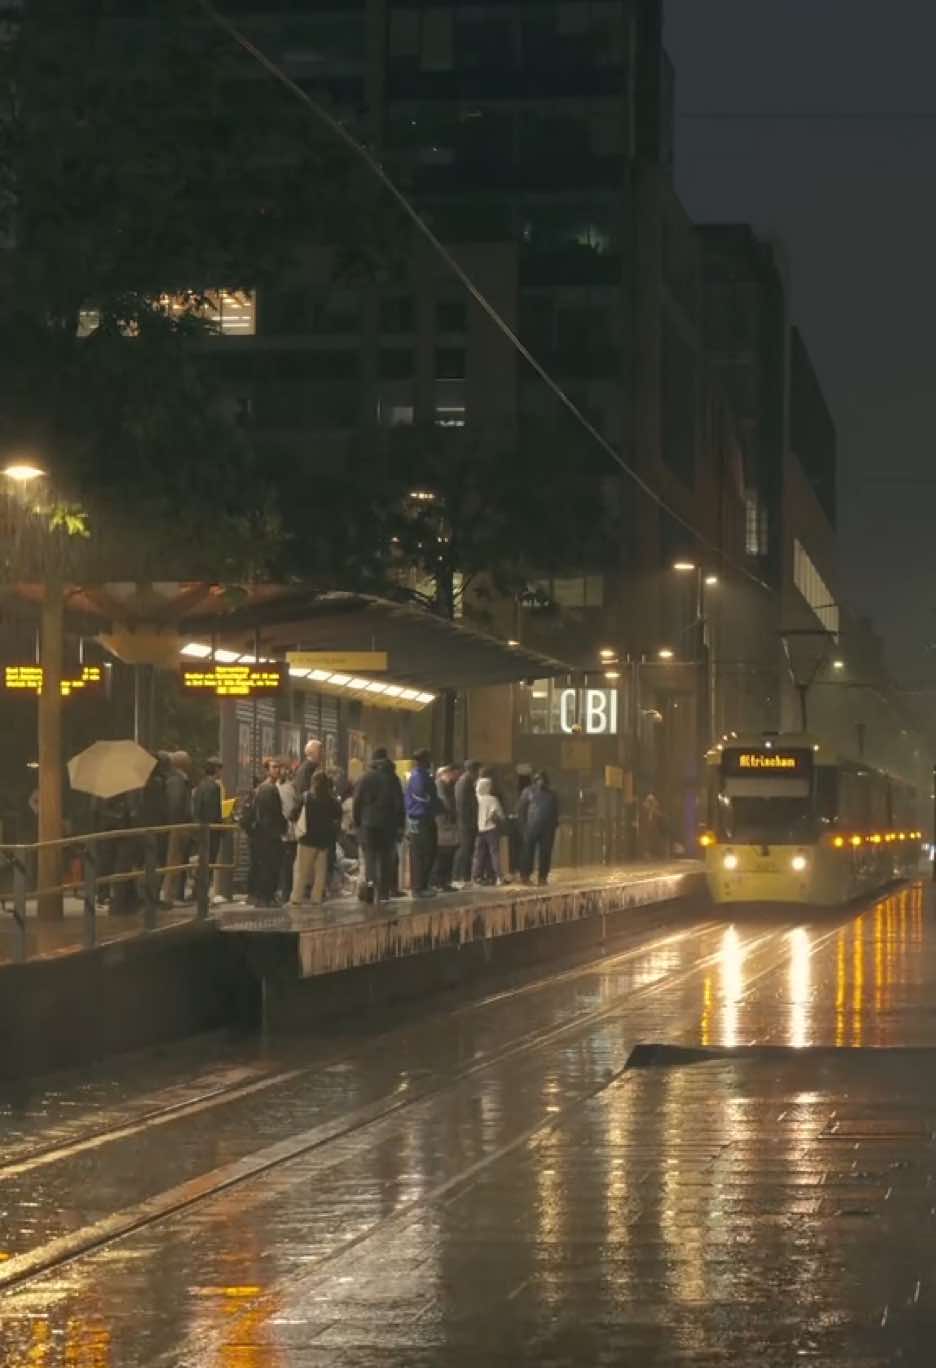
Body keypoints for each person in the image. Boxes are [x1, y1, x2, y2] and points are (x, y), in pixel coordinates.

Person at [352, 747, 405, 904]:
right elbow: (399, 805)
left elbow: (357, 802)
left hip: (368, 825)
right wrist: (400, 825)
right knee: (385, 859)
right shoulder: (393, 778)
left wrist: (357, 822)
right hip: (388, 826)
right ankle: (383, 892)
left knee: (370, 859)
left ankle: (370, 891)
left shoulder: (365, 778)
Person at [291, 770, 341, 906]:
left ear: (313, 782)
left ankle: (296, 898)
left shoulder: (306, 797)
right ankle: (316, 898)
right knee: (320, 872)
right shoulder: (331, 800)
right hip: (324, 842)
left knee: (302, 871)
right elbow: (338, 815)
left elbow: (293, 814)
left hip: (307, 840)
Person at [405, 748, 440, 897]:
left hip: (418, 818)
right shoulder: (420, 777)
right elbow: (426, 797)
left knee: (422, 852)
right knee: (423, 853)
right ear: (424, 760)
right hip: (422, 818)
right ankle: (419, 888)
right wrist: (439, 807)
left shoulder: (417, 775)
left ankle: (421, 886)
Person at [251, 759, 286, 907]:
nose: (277, 770)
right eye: (274, 767)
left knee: (265, 865)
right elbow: (275, 813)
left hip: (263, 833)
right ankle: (267, 897)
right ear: (267, 770)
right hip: (270, 833)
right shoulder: (269, 789)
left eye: (278, 767)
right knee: (270, 866)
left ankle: (262, 897)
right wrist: (281, 827)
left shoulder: (263, 788)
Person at [518, 771, 560, 886]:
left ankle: (542, 877)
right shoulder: (527, 792)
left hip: (547, 829)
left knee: (545, 853)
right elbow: (521, 810)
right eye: (538, 779)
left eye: (543, 780)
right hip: (531, 827)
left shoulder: (552, 794)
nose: (541, 782)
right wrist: (523, 827)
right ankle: (525, 876)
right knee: (528, 853)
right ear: (535, 780)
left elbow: (555, 811)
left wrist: (554, 825)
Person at [162, 750, 192, 905]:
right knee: (174, 861)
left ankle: (173, 894)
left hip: (178, 825)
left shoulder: (174, 779)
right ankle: (171, 895)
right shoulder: (178, 780)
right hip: (178, 825)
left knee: (176, 860)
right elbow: (176, 804)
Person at [192, 757, 225, 903]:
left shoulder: (200, 785)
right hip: (211, 831)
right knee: (208, 862)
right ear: (216, 770)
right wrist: (221, 826)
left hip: (200, 828)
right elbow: (214, 811)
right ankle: (201, 894)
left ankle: (198, 892)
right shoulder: (214, 787)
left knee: (203, 862)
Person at [473, 776, 506, 885]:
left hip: (479, 830)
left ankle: (477, 877)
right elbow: (500, 815)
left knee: (479, 854)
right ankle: (499, 877)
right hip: (491, 829)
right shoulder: (492, 799)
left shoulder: (476, 798)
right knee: (494, 853)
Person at [432, 763, 460, 890]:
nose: (452, 777)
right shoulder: (440, 785)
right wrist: (452, 813)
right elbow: (446, 802)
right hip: (443, 823)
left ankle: (444, 881)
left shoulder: (448, 786)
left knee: (448, 853)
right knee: (443, 854)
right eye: (450, 774)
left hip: (447, 823)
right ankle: (440, 881)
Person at [453, 759, 481, 887]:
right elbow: (464, 805)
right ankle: (462, 877)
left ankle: (463, 877)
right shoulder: (465, 782)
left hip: (466, 822)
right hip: (466, 823)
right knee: (466, 850)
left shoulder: (465, 781)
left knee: (466, 850)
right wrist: (470, 822)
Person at [277, 758, 299, 903]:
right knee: (286, 864)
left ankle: (285, 892)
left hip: (287, 832)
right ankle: (285, 891)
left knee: (286, 864)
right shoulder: (289, 788)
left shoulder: (288, 788)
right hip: (286, 831)